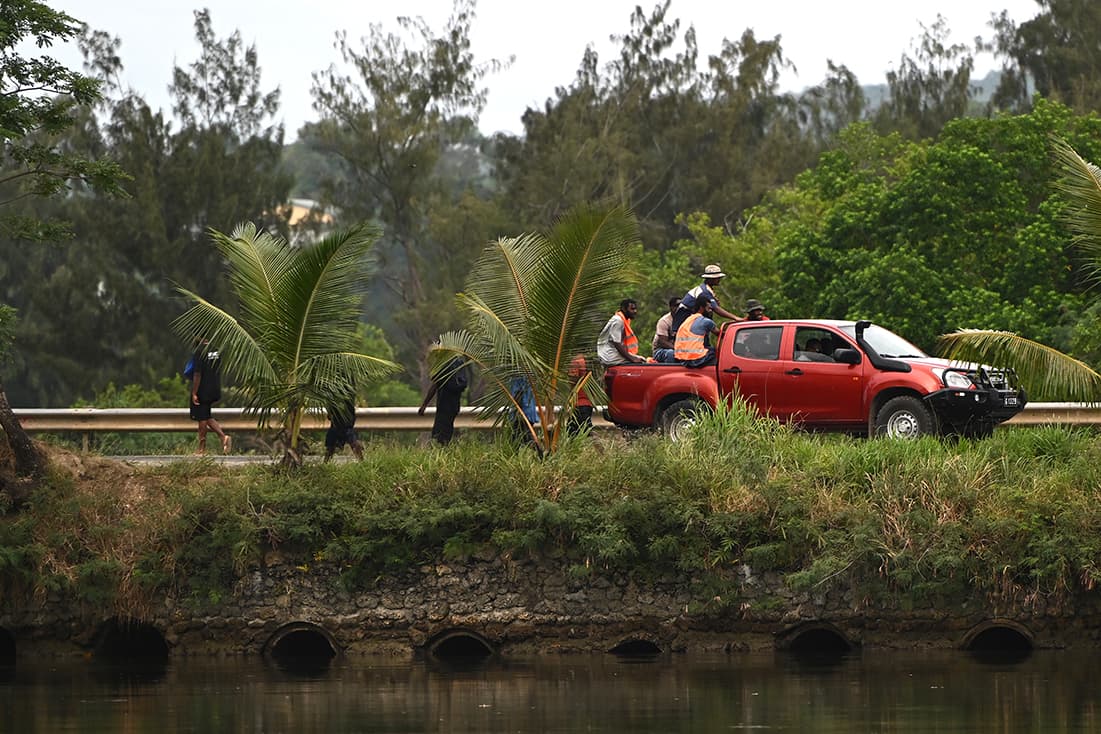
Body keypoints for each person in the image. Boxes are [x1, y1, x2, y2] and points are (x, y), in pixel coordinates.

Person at [671, 264, 743, 333]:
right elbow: (716, 309)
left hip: (692, 321)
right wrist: (735, 318)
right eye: (716, 278)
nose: (719, 279)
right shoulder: (704, 291)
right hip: (686, 320)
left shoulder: (707, 290)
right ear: (710, 279)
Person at [189, 337, 230, 455]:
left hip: (203, 389)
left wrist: (194, 392)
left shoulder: (199, 351)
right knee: (207, 415)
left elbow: (197, 374)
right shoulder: (216, 350)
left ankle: (202, 449)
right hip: (215, 388)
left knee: (202, 417)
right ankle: (223, 438)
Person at [418, 354, 469, 445]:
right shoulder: (459, 362)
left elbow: (434, 386)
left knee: (438, 436)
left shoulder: (444, 364)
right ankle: (446, 451)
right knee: (447, 432)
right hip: (454, 406)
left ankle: (442, 455)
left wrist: (424, 405)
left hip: (443, 406)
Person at [597, 298, 646, 366]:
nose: (635, 311)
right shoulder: (618, 321)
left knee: (640, 359)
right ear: (624, 309)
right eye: (632, 309)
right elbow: (617, 343)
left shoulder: (624, 320)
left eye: (635, 309)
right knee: (641, 361)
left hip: (611, 353)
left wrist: (632, 357)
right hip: (608, 355)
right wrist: (632, 359)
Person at [674, 297, 720, 368]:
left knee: (709, 348)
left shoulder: (689, 319)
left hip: (682, 359)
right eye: (709, 308)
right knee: (717, 352)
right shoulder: (706, 321)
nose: (711, 311)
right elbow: (720, 334)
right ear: (701, 308)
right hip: (696, 359)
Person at [324, 393, 363, 461]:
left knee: (330, 449)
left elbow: (329, 415)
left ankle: (325, 464)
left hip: (341, 424)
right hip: (343, 424)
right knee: (330, 448)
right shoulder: (347, 394)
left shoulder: (335, 394)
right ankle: (362, 463)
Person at [565, 354, 594, 436]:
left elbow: (573, 379)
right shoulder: (587, 360)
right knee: (571, 431)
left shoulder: (577, 361)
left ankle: (601, 447)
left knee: (587, 431)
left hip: (580, 404)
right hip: (586, 403)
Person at [651, 295, 681, 363]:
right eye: (677, 305)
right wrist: (677, 349)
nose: (679, 308)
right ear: (671, 307)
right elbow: (662, 342)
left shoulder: (685, 320)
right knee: (671, 353)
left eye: (681, 306)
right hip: (661, 350)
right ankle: (671, 372)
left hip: (678, 349)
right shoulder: (664, 321)